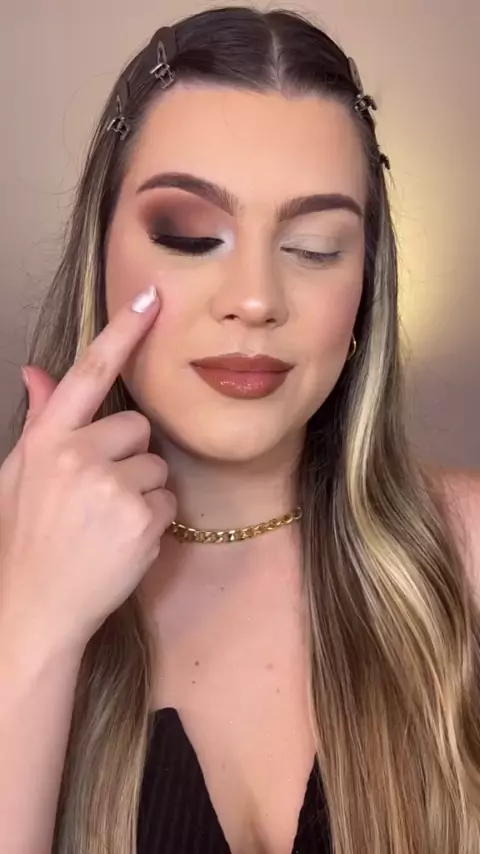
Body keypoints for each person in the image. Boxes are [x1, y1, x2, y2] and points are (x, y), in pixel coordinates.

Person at [1, 5, 479, 854]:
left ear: (365, 291)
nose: (256, 299)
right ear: (101, 251)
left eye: (315, 246)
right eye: (190, 235)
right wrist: (31, 627)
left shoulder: (467, 553)